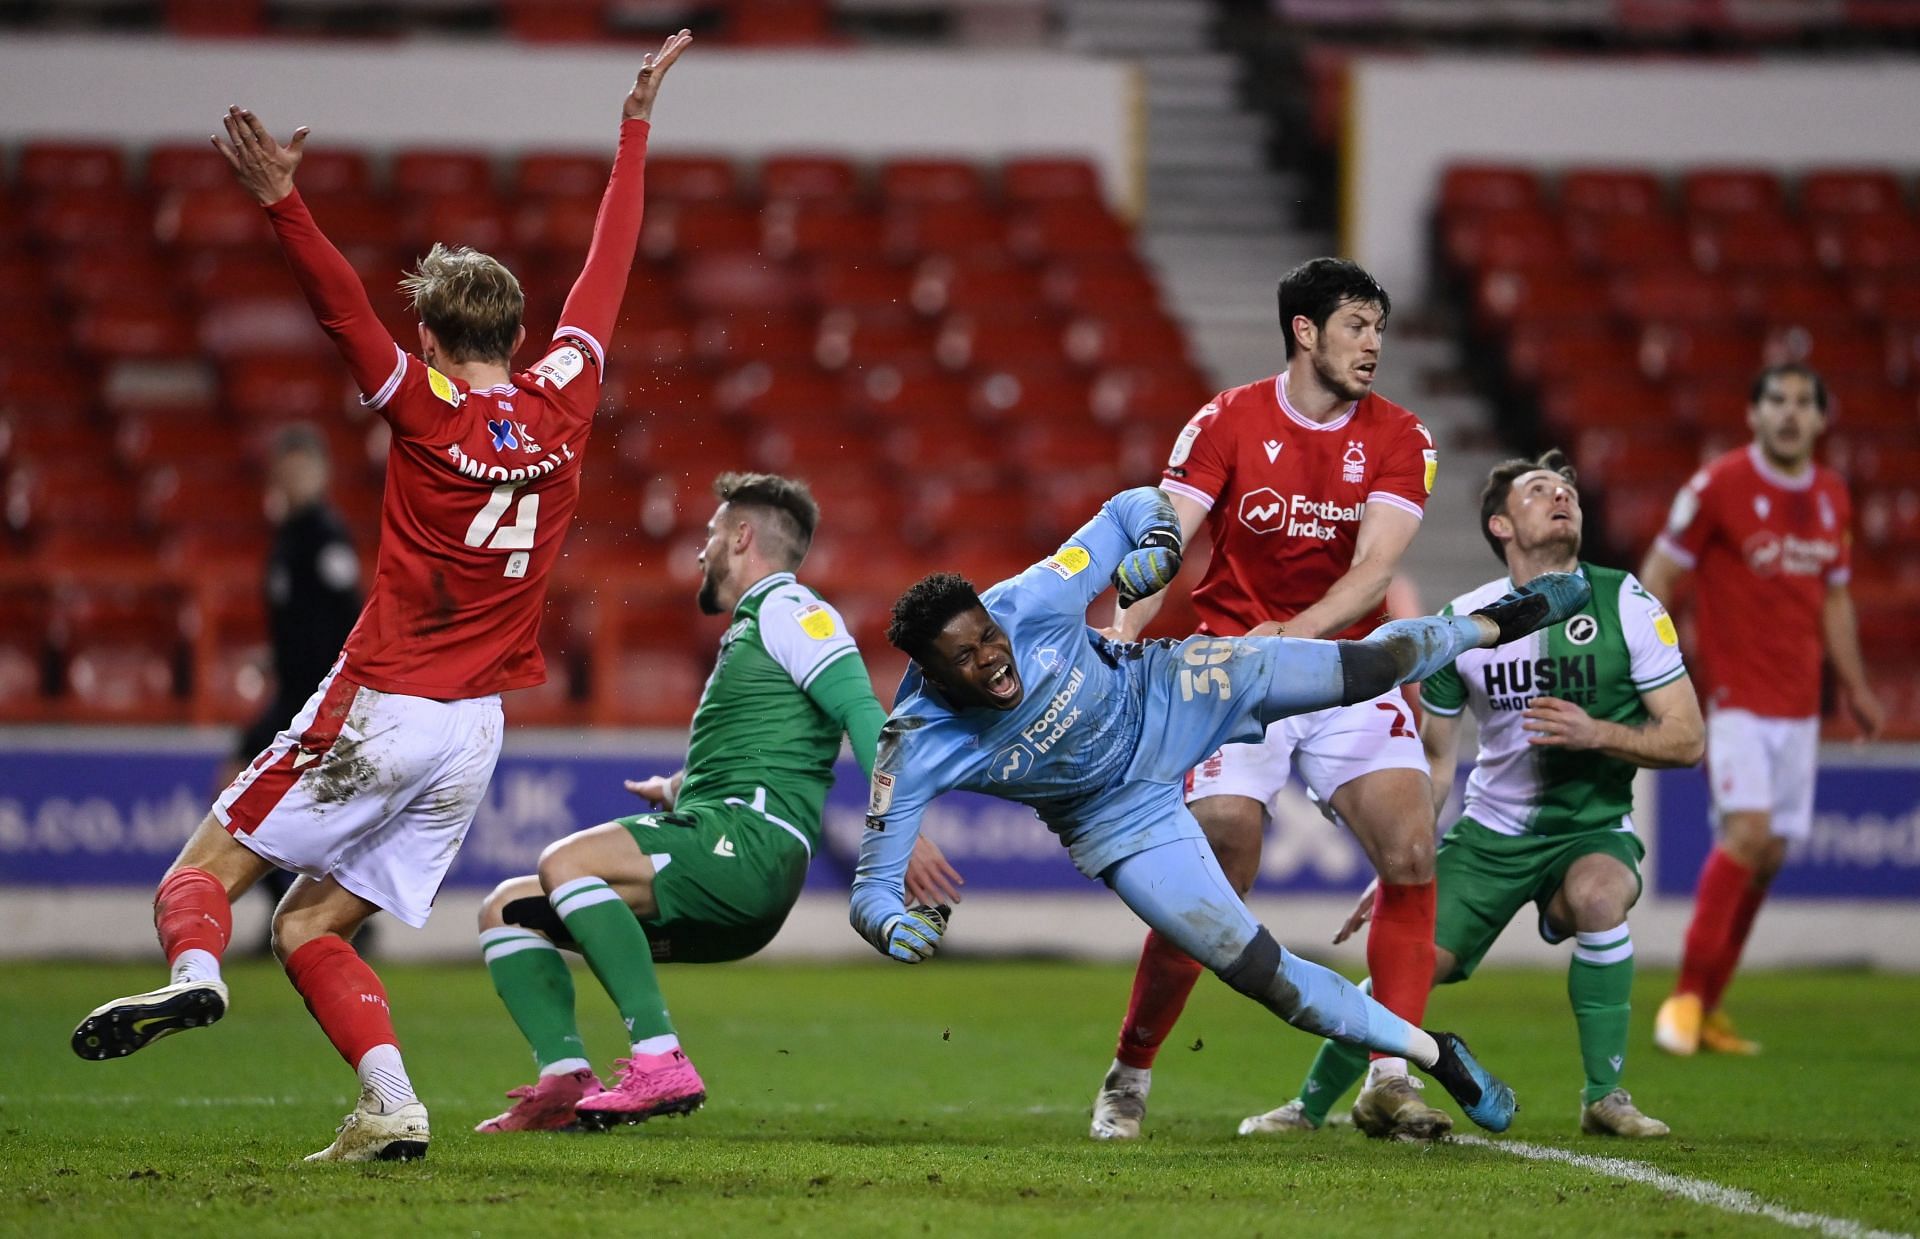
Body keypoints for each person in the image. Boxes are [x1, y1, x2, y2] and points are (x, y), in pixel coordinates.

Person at [67, 31, 693, 1163]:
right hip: (475, 733)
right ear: (518, 331)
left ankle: (195, 978)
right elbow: (612, 265)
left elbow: (338, 310)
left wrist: (283, 205)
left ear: (433, 338)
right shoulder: (565, 397)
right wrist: (633, 130)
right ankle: (391, 1103)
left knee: (198, 878)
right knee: (312, 924)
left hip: (385, 697)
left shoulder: (428, 409)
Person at [852, 486, 1601, 1136]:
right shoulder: (914, 744)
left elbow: (1130, 506)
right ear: (931, 675)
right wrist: (891, 924)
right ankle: (1437, 1053)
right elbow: (871, 890)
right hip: (1117, 818)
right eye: (966, 657)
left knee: (1365, 667)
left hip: (1173, 690)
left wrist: (1158, 536)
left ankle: (1499, 619)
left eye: (988, 635)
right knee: (1259, 972)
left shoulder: (1032, 598)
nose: (992, 657)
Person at [472, 472, 961, 1133]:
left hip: (747, 847)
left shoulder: (793, 609)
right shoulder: (757, 629)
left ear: (741, 535)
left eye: (708, 534)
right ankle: (564, 1080)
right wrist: (678, 786)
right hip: (720, 838)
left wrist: (897, 828)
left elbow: (862, 711)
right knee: (505, 908)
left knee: (567, 862)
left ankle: (659, 1058)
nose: (700, 551)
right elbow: (770, 749)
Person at [1093, 257, 1450, 1142]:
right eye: (1357, 324)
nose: (1374, 344)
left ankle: (1390, 1075)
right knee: (1217, 858)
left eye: (1380, 327)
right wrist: (1122, 637)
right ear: (1304, 330)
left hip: (1340, 668)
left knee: (1410, 845)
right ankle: (1130, 1070)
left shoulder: (1404, 435)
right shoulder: (1227, 419)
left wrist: (1293, 633)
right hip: (1229, 669)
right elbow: (1165, 539)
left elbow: (1375, 568)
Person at [1250, 450, 1703, 1141]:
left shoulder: (1629, 603)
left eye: (1567, 490)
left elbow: (1688, 737)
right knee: (1410, 968)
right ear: (1500, 525)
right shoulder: (1462, 622)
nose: (1561, 496)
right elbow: (1436, 761)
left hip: (1590, 829)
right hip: (1490, 832)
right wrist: (1402, 863)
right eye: (1539, 490)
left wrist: (1597, 732)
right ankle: (1308, 1106)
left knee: (1599, 897)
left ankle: (1606, 1097)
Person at [1643, 363, 1883, 1058]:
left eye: (1804, 403)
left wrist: (1858, 687)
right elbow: (1660, 573)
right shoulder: (1717, 485)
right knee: (1747, 833)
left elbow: (1835, 599)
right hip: (1734, 695)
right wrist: (1654, 665)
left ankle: (1711, 1007)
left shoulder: (1833, 494)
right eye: (1776, 400)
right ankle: (1684, 998)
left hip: (1799, 702)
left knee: (1770, 854)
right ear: (1753, 415)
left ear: (1820, 419)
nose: (1789, 413)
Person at [233, 423, 363, 954]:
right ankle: (298, 914)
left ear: (320, 473)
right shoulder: (288, 535)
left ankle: (319, 914)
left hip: (314, 699)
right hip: (290, 694)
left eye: (301, 468)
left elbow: (346, 618)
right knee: (256, 801)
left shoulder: (325, 535)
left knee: (250, 797)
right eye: (285, 469)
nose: (292, 479)